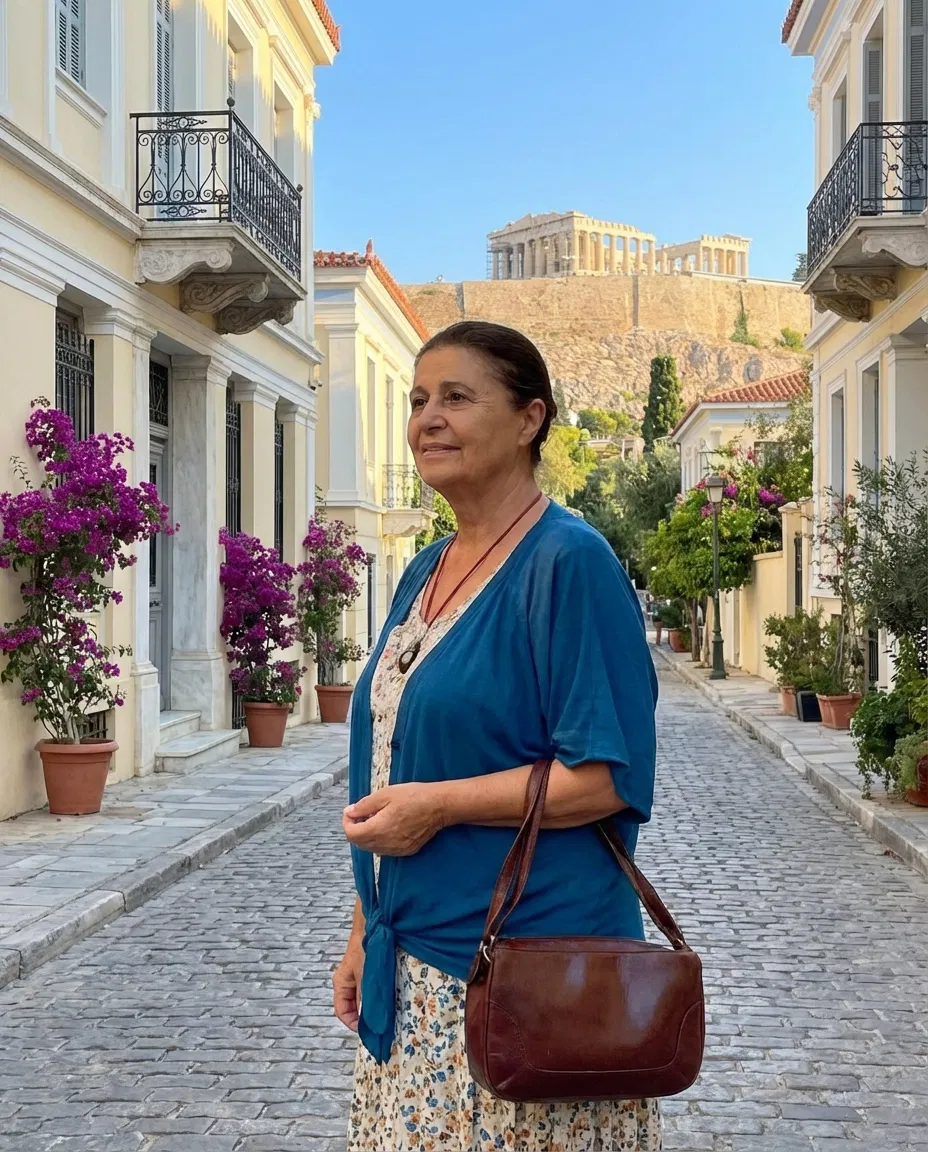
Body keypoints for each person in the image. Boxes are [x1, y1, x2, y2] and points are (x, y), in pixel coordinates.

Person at [334, 320, 660, 1151]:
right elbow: (390, 757)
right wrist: (365, 926)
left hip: (526, 982)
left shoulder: (568, 563)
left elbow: (607, 778)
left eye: (456, 397)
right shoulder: (423, 568)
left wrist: (439, 808)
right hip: (413, 971)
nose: (426, 419)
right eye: (416, 401)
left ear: (529, 419)